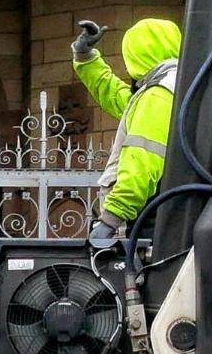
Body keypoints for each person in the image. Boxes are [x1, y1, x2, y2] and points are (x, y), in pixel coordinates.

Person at [70, 17, 183, 252]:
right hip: (164, 220)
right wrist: (86, 57)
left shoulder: (159, 96)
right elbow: (116, 95)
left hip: (149, 223)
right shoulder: (173, 88)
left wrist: (109, 221)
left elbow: (141, 166)